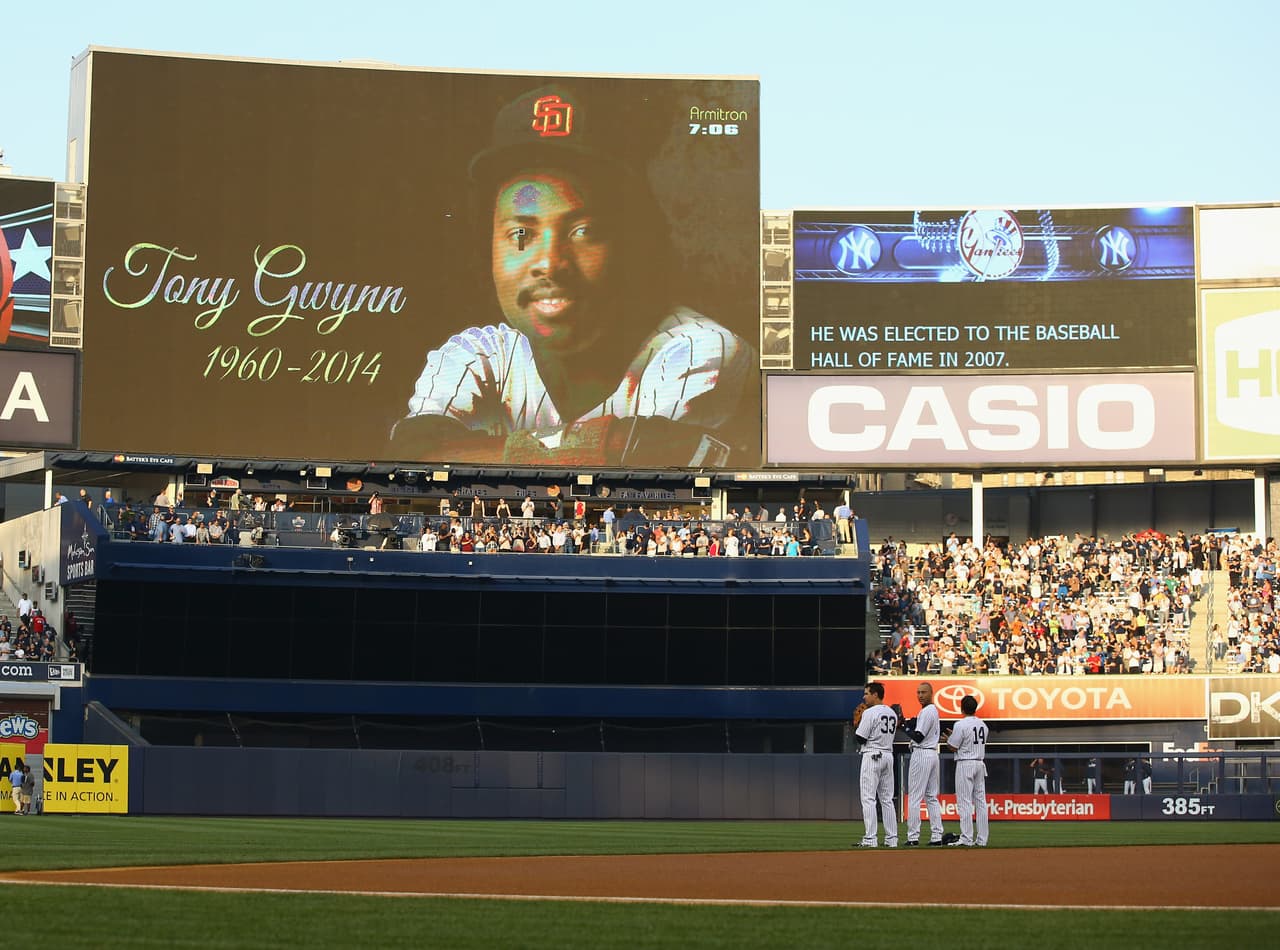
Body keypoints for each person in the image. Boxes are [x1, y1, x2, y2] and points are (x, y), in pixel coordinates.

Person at [389, 83, 756, 468]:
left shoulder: (697, 348)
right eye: (521, 234)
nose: (549, 262)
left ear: (632, 242)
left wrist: (483, 452)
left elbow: (658, 466)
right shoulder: (479, 355)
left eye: (584, 231)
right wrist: (610, 443)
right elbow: (414, 458)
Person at [852, 682, 899, 849]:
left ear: (876, 695)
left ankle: (870, 839)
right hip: (888, 755)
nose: (864, 697)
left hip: (872, 755)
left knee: (868, 799)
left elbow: (860, 738)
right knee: (887, 799)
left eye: (867, 693)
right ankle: (892, 839)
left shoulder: (870, 712)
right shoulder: (892, 713)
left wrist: (856, 725)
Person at [903, 682, 948, 847]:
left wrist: (903, 727)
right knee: (931, 797)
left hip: (922, 753)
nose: (920, 695)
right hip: (932, 754)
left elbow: (918, 737)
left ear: (931, 693)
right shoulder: (930, 711)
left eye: (923, 692)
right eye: (918, 692)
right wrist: (908, 724)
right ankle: (936, 836)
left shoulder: (928, 711)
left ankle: (913, 837)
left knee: (915, 797)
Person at [947, 694, 989, 847]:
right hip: (979, 763)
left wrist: (948, 740)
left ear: (961, 708)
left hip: (965, 763)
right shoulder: (983, 725)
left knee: (964, 801)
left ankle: (966, 838)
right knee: (980, 802)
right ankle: (982, 839)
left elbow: (953, 746)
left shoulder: (960, 724)